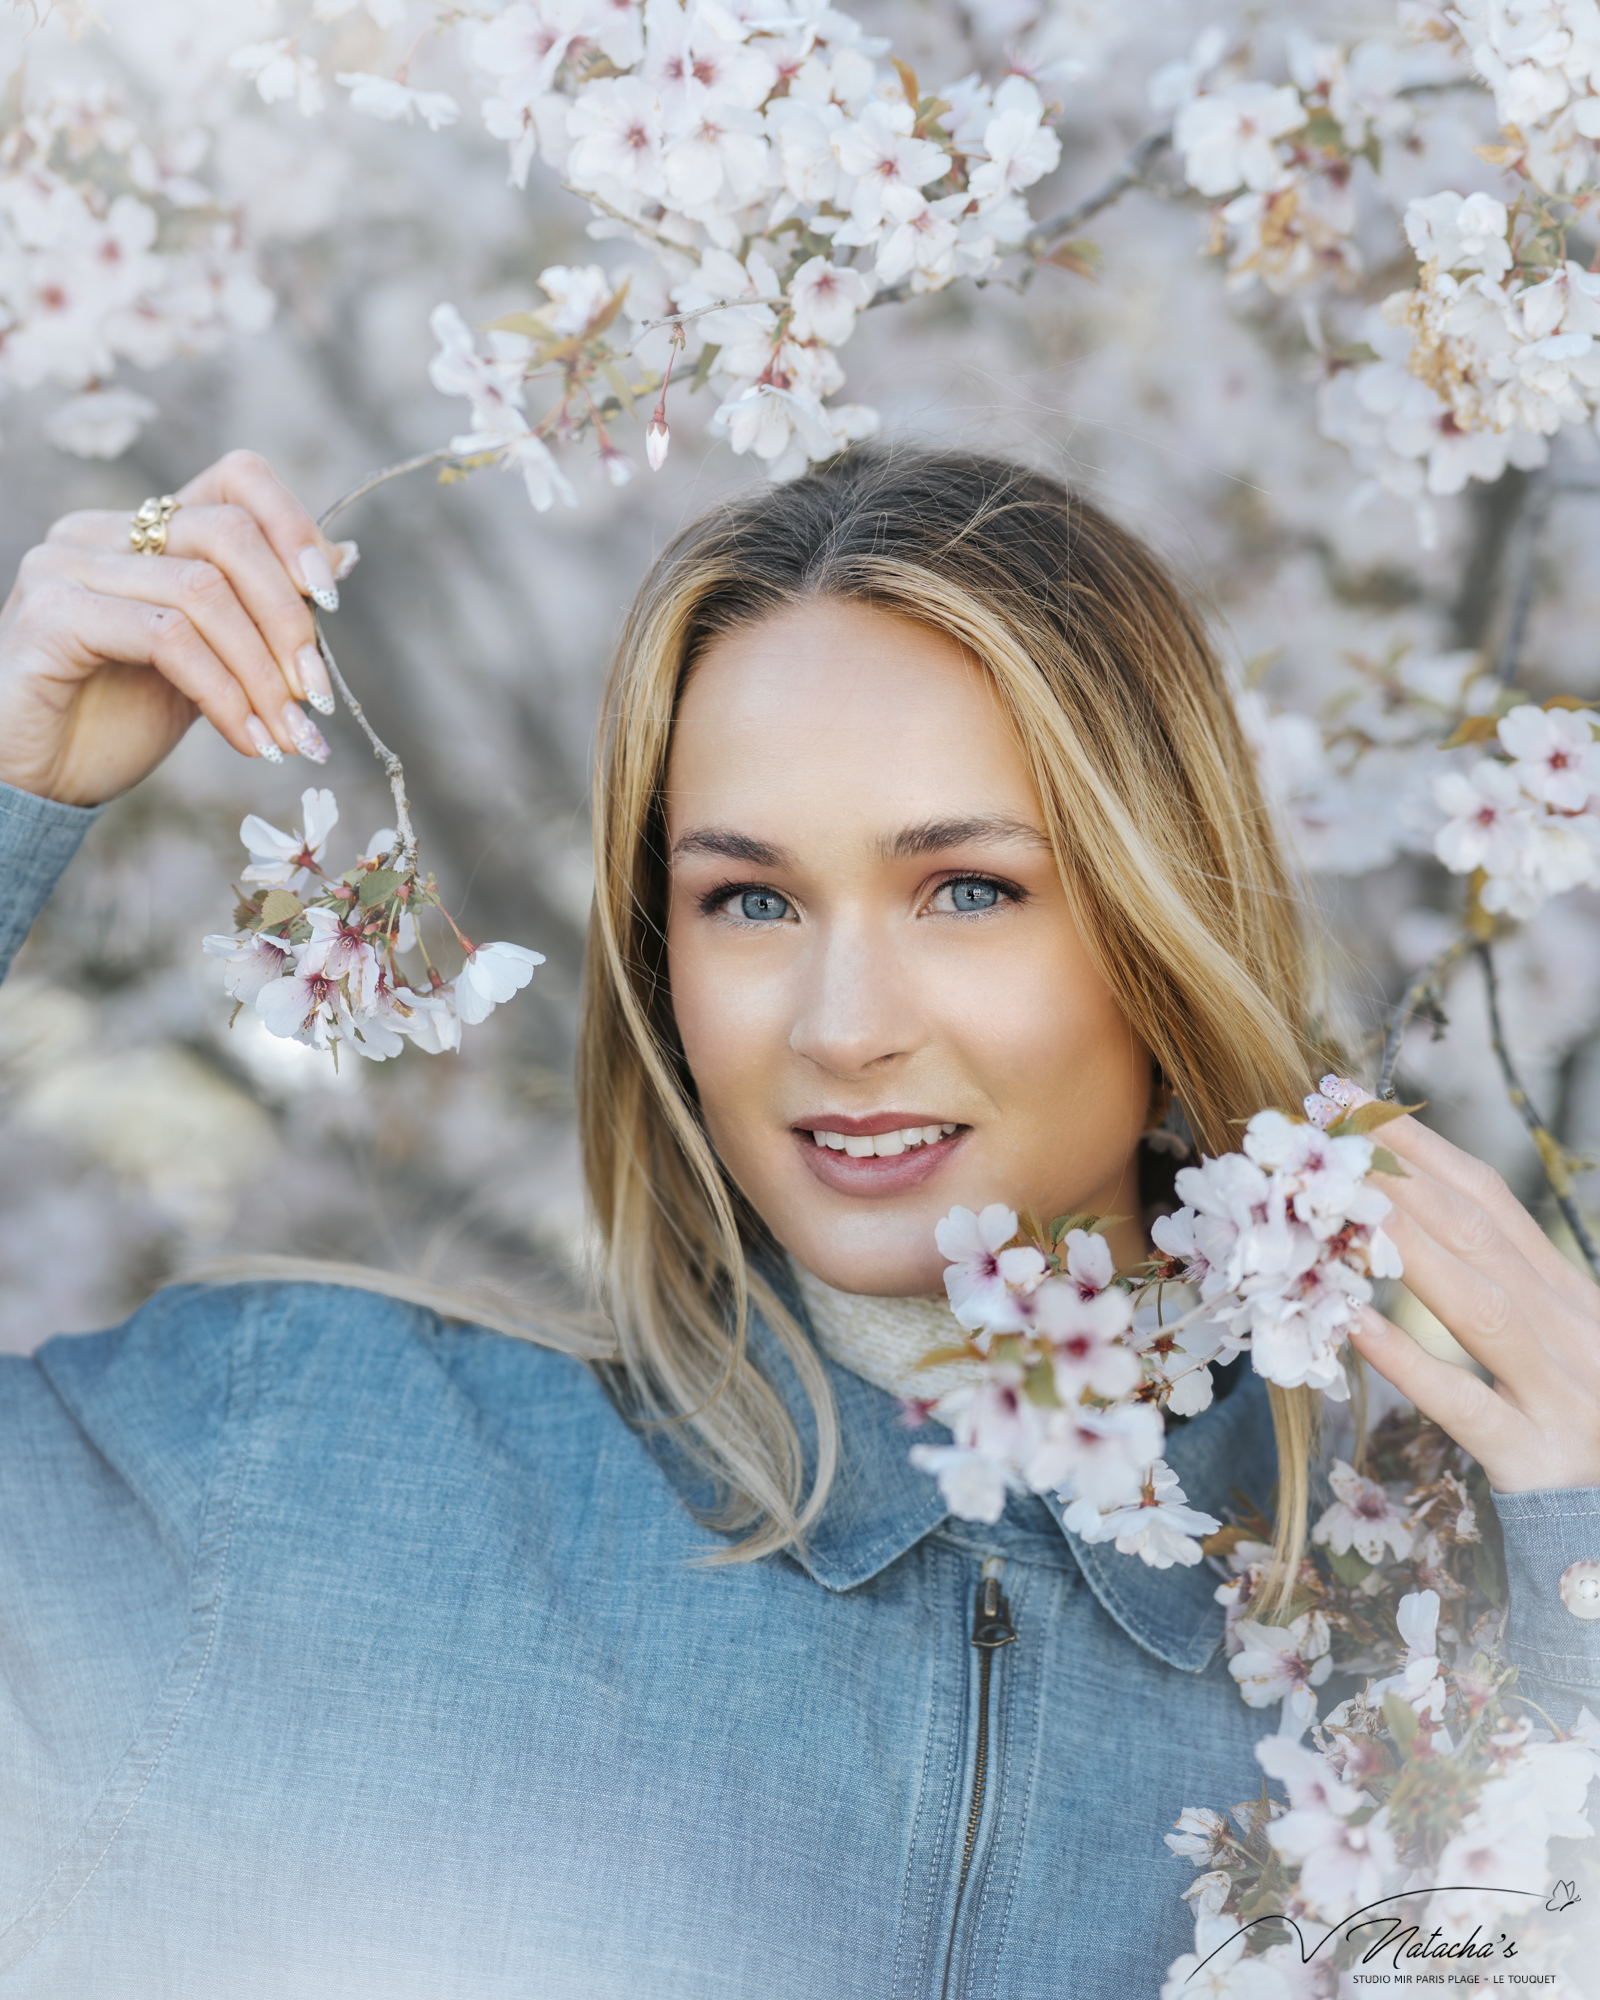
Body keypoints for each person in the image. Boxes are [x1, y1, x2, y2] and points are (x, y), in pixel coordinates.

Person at [0, 447, 1594, 2000]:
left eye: (967, 887)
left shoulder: (1431, 1653)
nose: (840, 1026)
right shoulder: (287, 1462)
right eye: (748, 899)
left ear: (1162, 918)